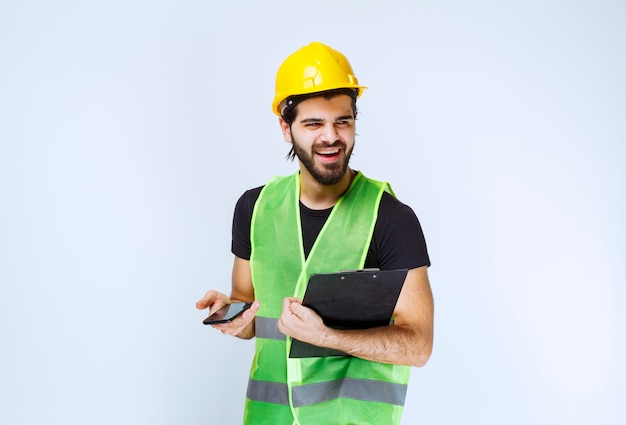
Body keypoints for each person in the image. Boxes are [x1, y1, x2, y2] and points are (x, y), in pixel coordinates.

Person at [196, 41, 434, 425]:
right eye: (313, 123)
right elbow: (253, 318)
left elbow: (418, 345)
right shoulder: (255, 208)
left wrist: (329, 338)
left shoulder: (390, 219)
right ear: (285, 127)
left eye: (343, 121)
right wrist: (231, 314)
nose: (331, 137)